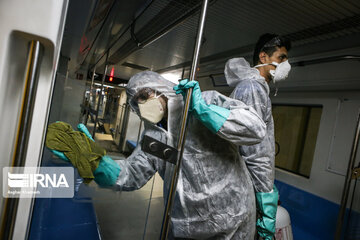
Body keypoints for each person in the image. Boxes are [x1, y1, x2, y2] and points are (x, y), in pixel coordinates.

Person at [47, 70, 267, 239]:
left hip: (232, 219)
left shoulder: (204, 103)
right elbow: (130, 174)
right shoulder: (154, 138)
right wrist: (94, 161)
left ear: (161, 89)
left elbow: (254, 129)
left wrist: (205, 112)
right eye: (136, 103)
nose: (142, 105)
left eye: (144, 96)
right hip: (188, 226)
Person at [224, 33, 291, 240]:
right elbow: (255, 150)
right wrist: (265, 194)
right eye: (282, 58)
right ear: (264, 57)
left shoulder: (254, 87)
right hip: (245, 186)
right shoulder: (253, 89)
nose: (286, 64)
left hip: (247, 184)